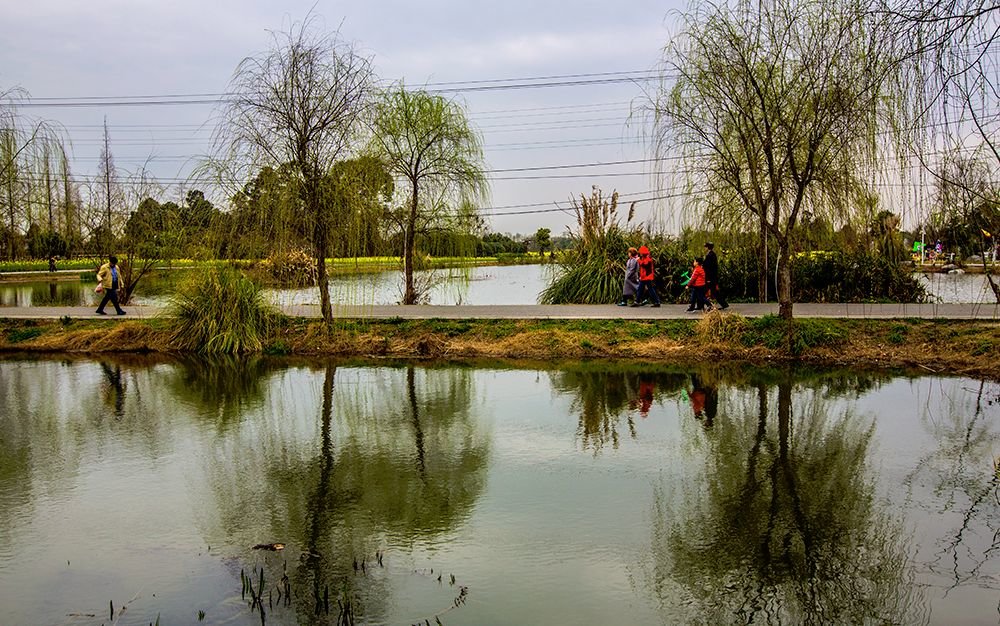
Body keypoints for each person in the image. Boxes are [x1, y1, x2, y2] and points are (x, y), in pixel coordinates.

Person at [702, 242, 728, 310]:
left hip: (710, 278)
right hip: (712, 277)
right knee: (714, 292)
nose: (704, 248)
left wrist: (708, 278)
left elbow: (709, 268)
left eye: (705, 247)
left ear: (707, 247)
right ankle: (724, 304)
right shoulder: (712, 255)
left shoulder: (710, 256)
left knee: (703, 292)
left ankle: (708, 305)